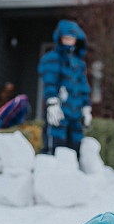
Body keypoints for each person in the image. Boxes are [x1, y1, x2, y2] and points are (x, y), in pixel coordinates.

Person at [38, 20, 92, 155]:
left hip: (75, 111)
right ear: (60, 39)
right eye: (66, 38)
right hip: (60, 109)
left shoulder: (79, 64)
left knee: (75, 145)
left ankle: (72, 172)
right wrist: (52, 102)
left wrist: (86, 108)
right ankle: (52, 172)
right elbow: (50, 82)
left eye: (71, 38)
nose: (69, 41)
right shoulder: (53, 58)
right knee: (56, 143)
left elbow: (83, 87)